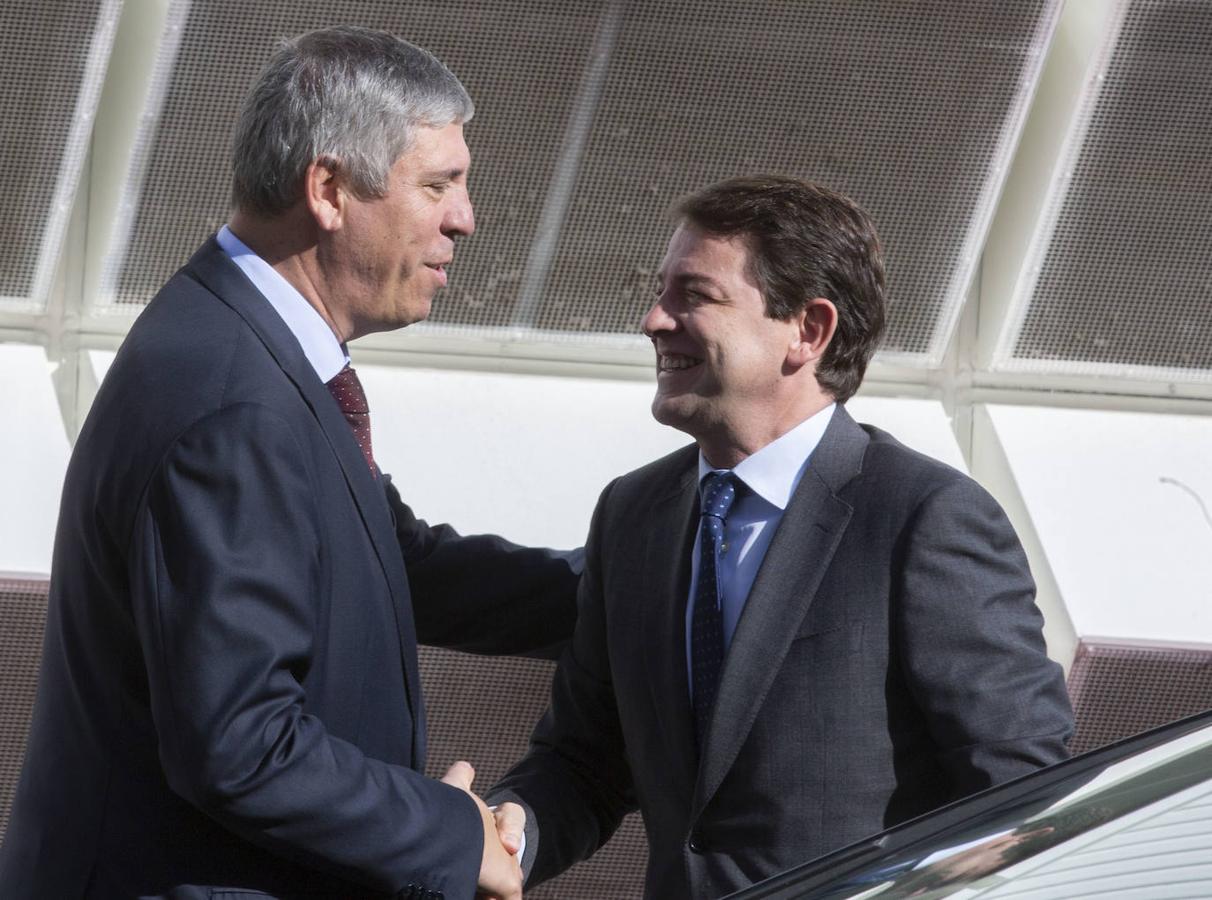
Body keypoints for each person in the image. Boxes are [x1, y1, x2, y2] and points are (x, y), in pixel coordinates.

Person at [0, 26, 579, 900]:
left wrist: (634, 590)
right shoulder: (234, 403)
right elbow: (240, 744)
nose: (465, 216)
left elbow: (396, 566)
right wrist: (450, 830)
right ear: (330, 189)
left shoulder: (245, 348)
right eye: (438, 185)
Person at [490, 175, 1075, 898]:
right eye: (661, 289)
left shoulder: (923, 518)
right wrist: (503, 834)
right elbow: (584, 762)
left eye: (694, 295)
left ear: (809, 330)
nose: (654, 319)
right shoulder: (633, 514)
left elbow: (1023, 796)